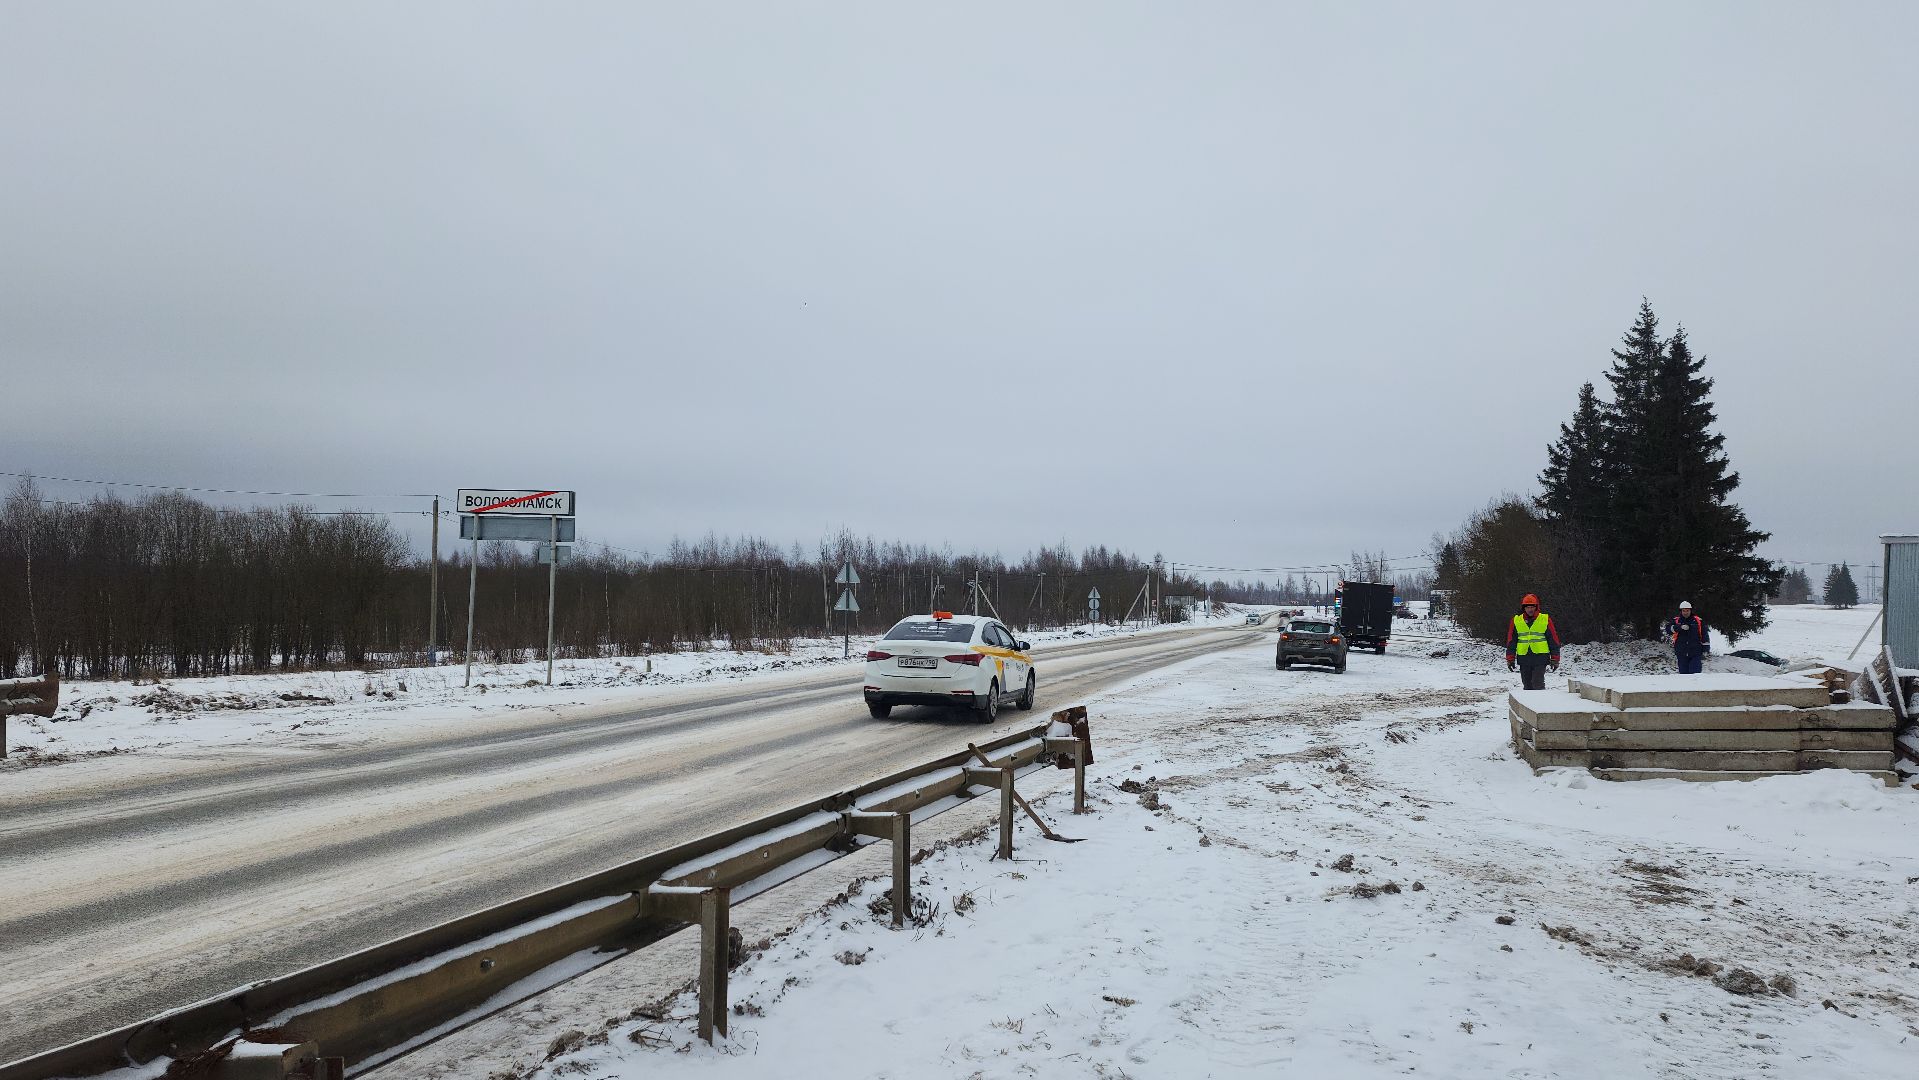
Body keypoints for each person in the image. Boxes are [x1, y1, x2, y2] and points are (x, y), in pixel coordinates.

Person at [1505, 593, 1562, 690]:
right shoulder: (1516, 620)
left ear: (1536, 607)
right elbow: (1511, 641)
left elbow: (1553, 640)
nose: (1530, 609)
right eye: (1528, 607)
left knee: (1537, 683)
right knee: (1527, 685)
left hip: (1540, 657)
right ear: (1524, 608)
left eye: (1532, 607)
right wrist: (1510, 659)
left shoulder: (1544, 619)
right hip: (1524, 658)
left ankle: (1540, 704)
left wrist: (1555, 658)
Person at [1669, 601, 1710, 674]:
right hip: (1681, 652)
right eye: (1683, 611)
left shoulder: (1698, 621)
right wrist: (1679, 627)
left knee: (1695, 674)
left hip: (1696, 652)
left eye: (1687, 610)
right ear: (1681, 611)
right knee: (1684, 675)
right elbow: (1668, 629)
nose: (1685, 612)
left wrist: (1706, 650)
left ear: (1691, 611)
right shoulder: (1676, 620)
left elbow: (1705, 635)